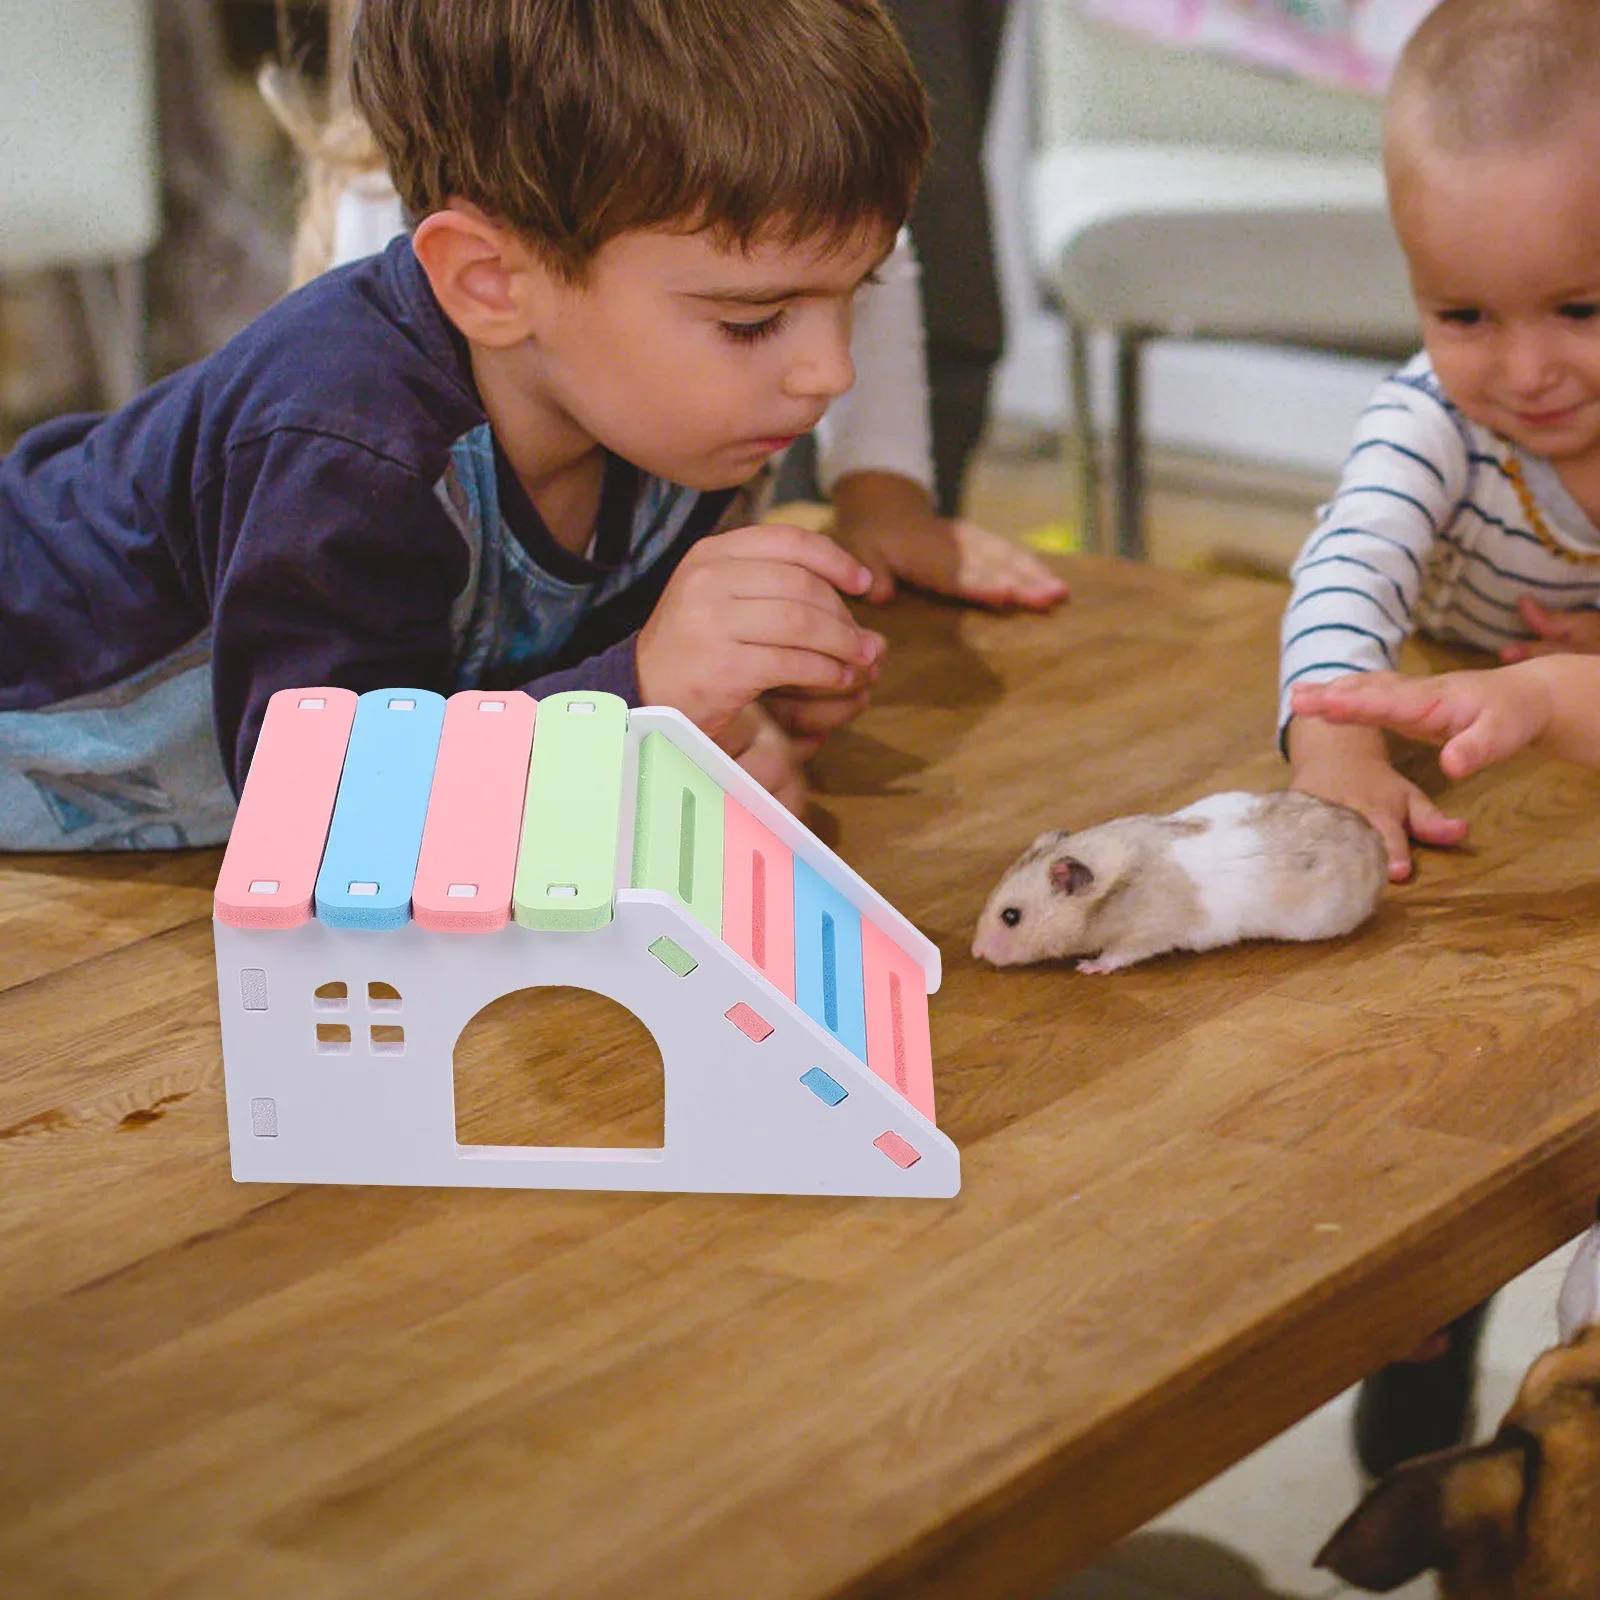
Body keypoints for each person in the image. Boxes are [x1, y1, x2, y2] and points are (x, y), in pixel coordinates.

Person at [0, 0, 1044, 852]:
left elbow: (482, 690)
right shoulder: (342, 443)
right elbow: (314, 808)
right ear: (491, 283)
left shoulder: (669, 419)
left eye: (853, 293)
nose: (830, 372)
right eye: (751, 321)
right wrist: (638, 691)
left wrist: (717, 708)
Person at [1281, 0, 1600, 884]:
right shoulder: (1430, 422)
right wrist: (1336, 747)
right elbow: (1351, 569)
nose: (1526, 373)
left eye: (1580, 309)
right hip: (1457, 730)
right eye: (1464, 316)